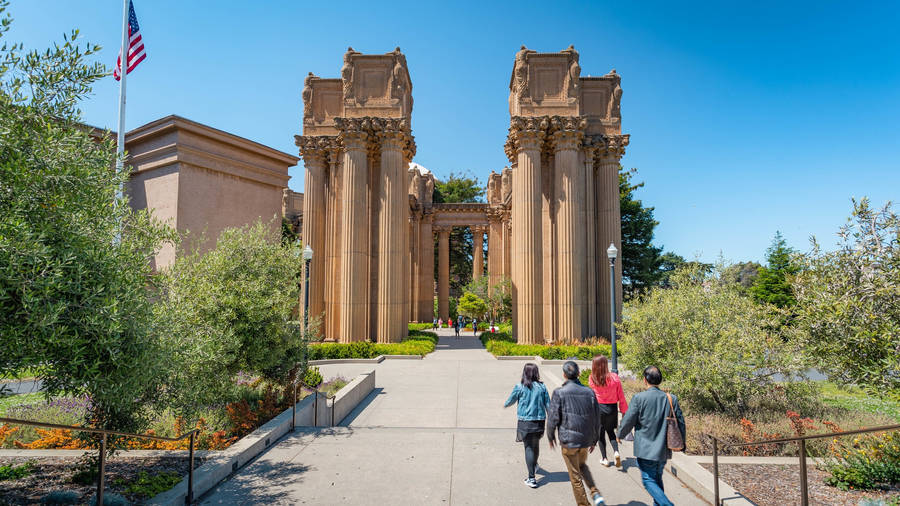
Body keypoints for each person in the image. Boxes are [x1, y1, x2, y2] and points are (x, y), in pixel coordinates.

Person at [617, 366, 685, 506]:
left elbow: (629, 420)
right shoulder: (671, 398)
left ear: (645, 380)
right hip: (663, 449)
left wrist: (620, 434)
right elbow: (681, 423)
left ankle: (667, 504)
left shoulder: (639, 398)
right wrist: (683, 443)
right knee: (657, 478)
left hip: (646, 449)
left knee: (648, 481)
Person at [547, 361, 605, 506]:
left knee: (575, 476)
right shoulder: (589, 392)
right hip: (585, 440)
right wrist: (594, 439)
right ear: (579, 374)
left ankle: (584, 504)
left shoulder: (559, 392)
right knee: (582, 465)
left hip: (569, 441)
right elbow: (597, 419)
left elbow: (553, 418)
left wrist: (550, 436)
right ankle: (595, 493)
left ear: (564, 375)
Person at [504, 363, 550, 489]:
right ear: (536, 373)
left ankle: (531, 478)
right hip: (540, 421)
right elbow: (549, 406)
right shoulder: (542, 387)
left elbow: (510, 401)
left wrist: (505, 405)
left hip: (525, 422)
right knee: (536, 445)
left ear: (524, 373)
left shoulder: (520, 387)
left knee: (528, 448)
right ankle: (534, 465)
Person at [587, 356, 628, 467]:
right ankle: (616, 452)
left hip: (599, 408)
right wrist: (624, 410)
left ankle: (604, 458)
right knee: (611, 432)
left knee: (601, 435)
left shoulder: (592, 378)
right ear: (605, 364)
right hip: (612, 408)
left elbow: (592, 395)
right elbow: (621, 396)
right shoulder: (614, 378)